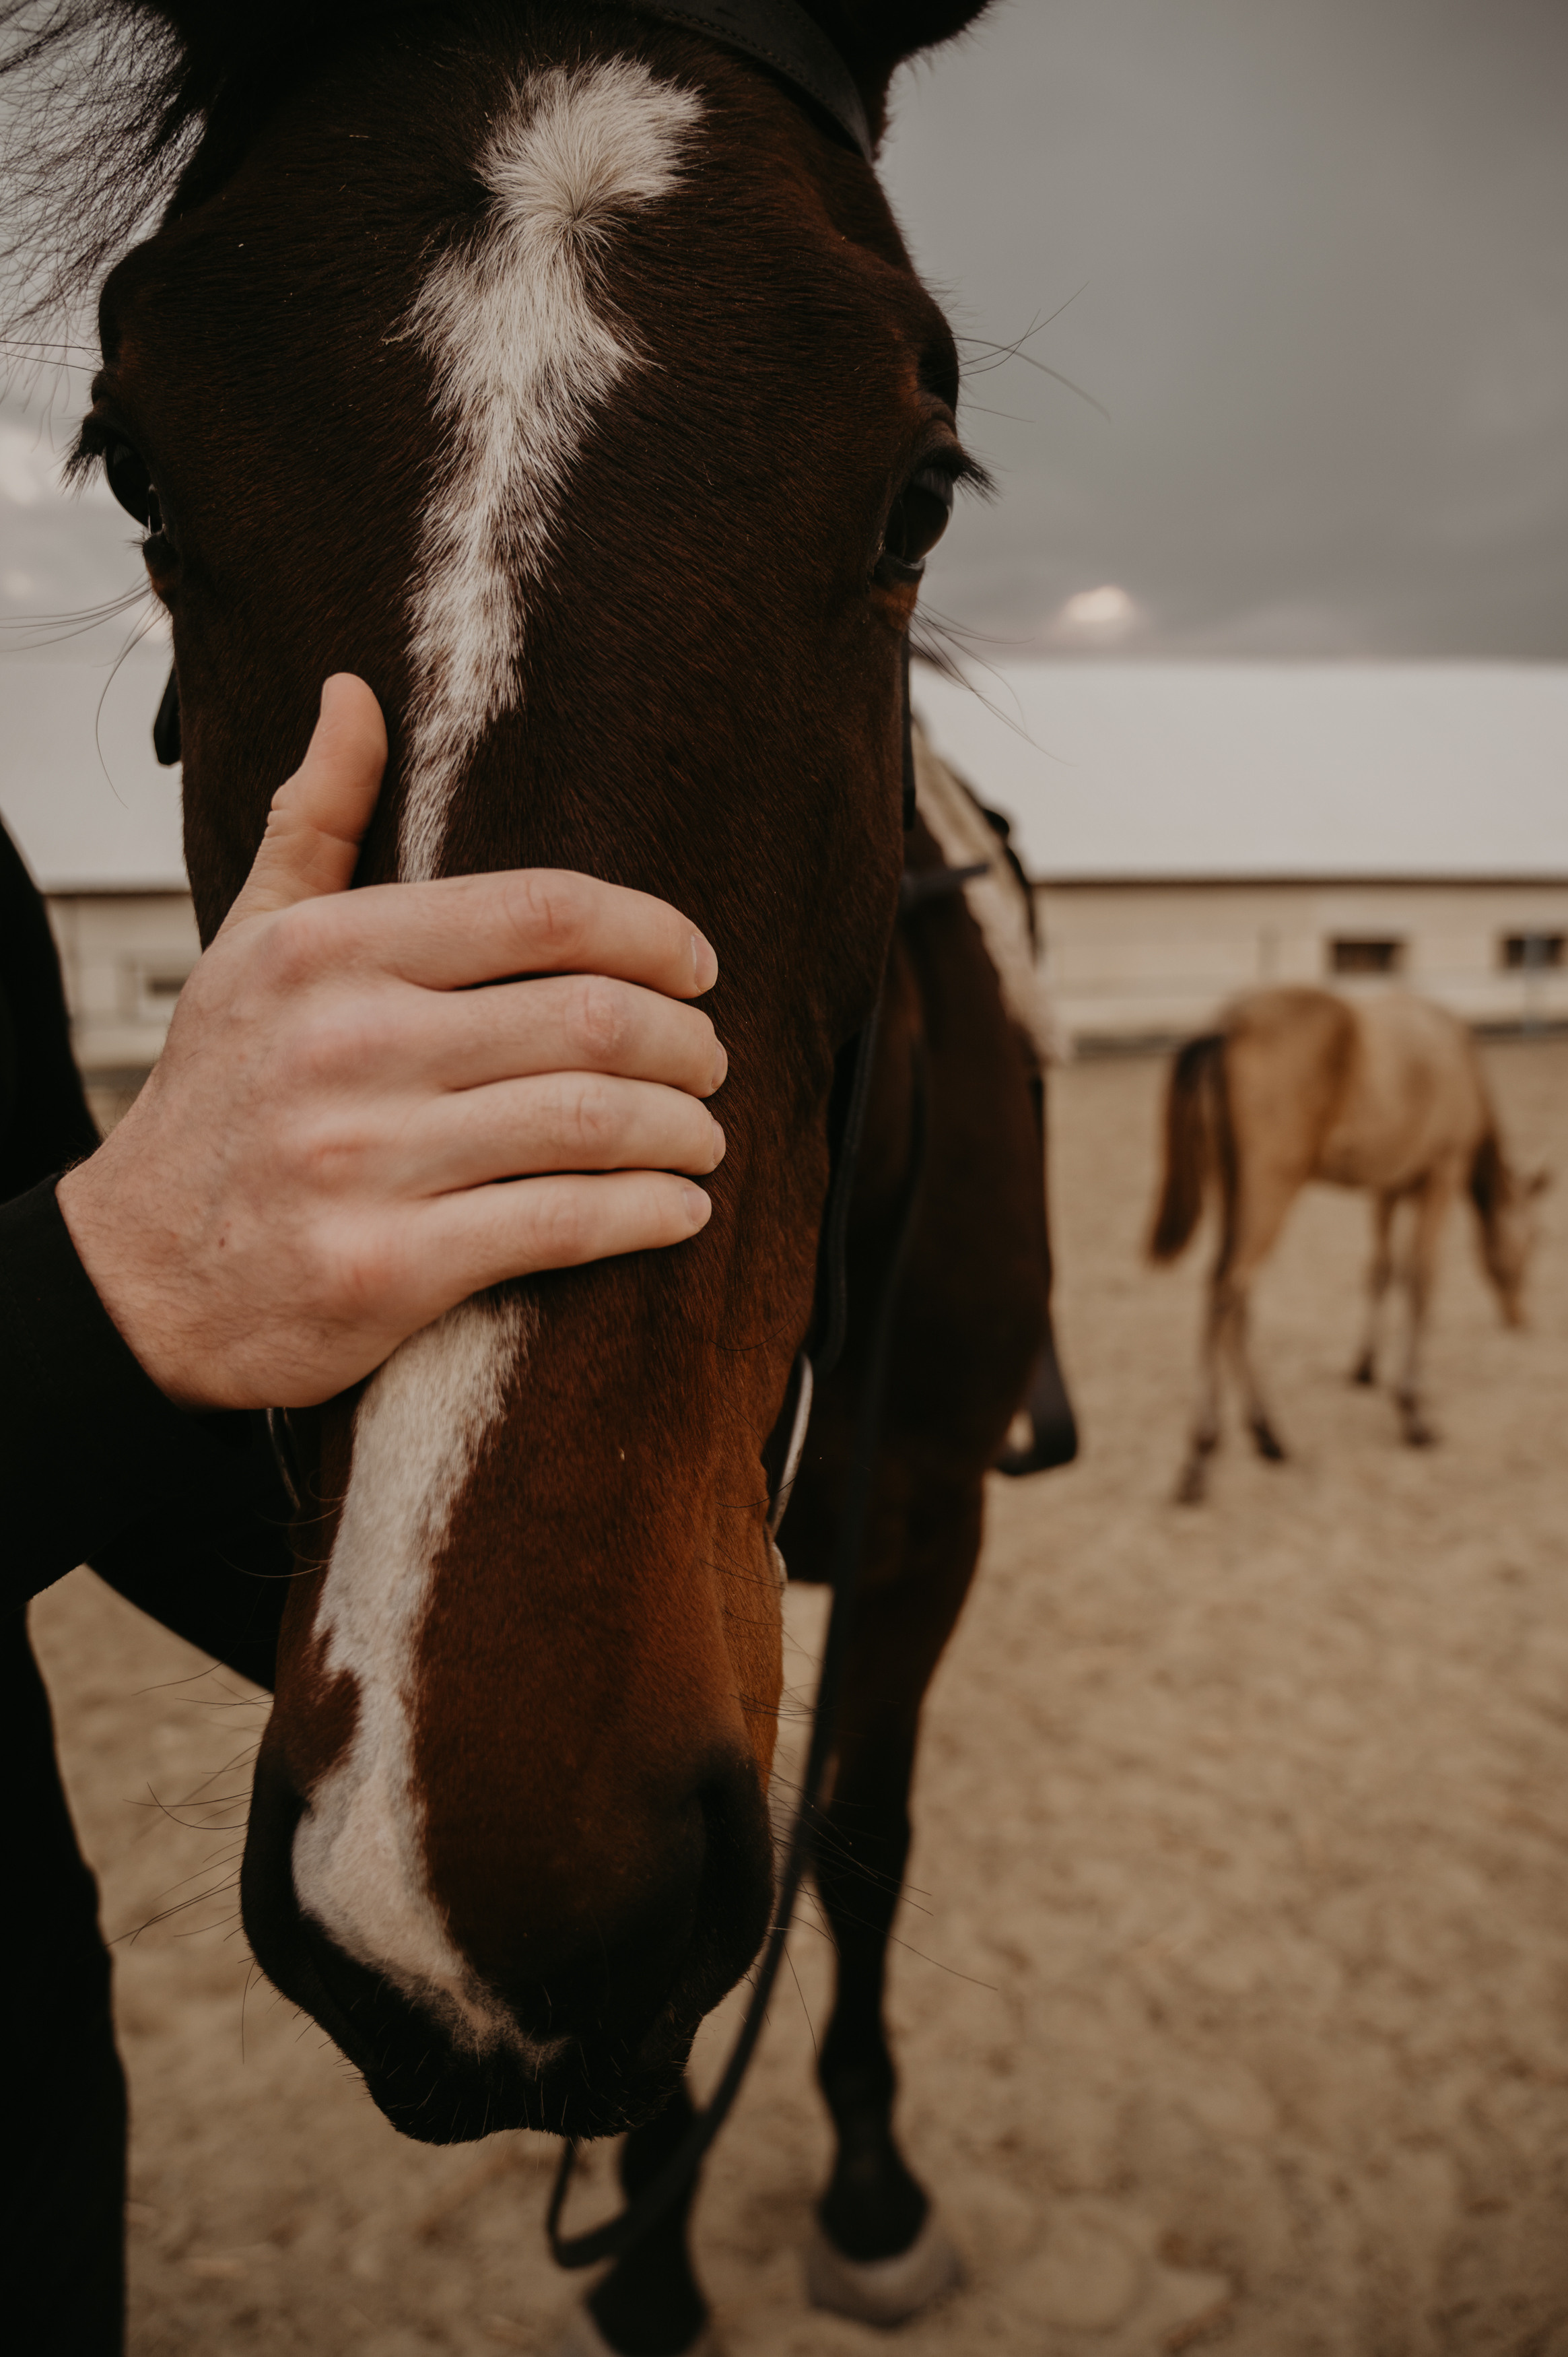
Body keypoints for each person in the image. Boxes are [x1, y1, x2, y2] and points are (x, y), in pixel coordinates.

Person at [2, 675, 729, 2352]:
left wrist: (451, 1666)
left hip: (21, 2023)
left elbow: (106, 1410)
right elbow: (113, 1307)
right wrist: (107, 1282)